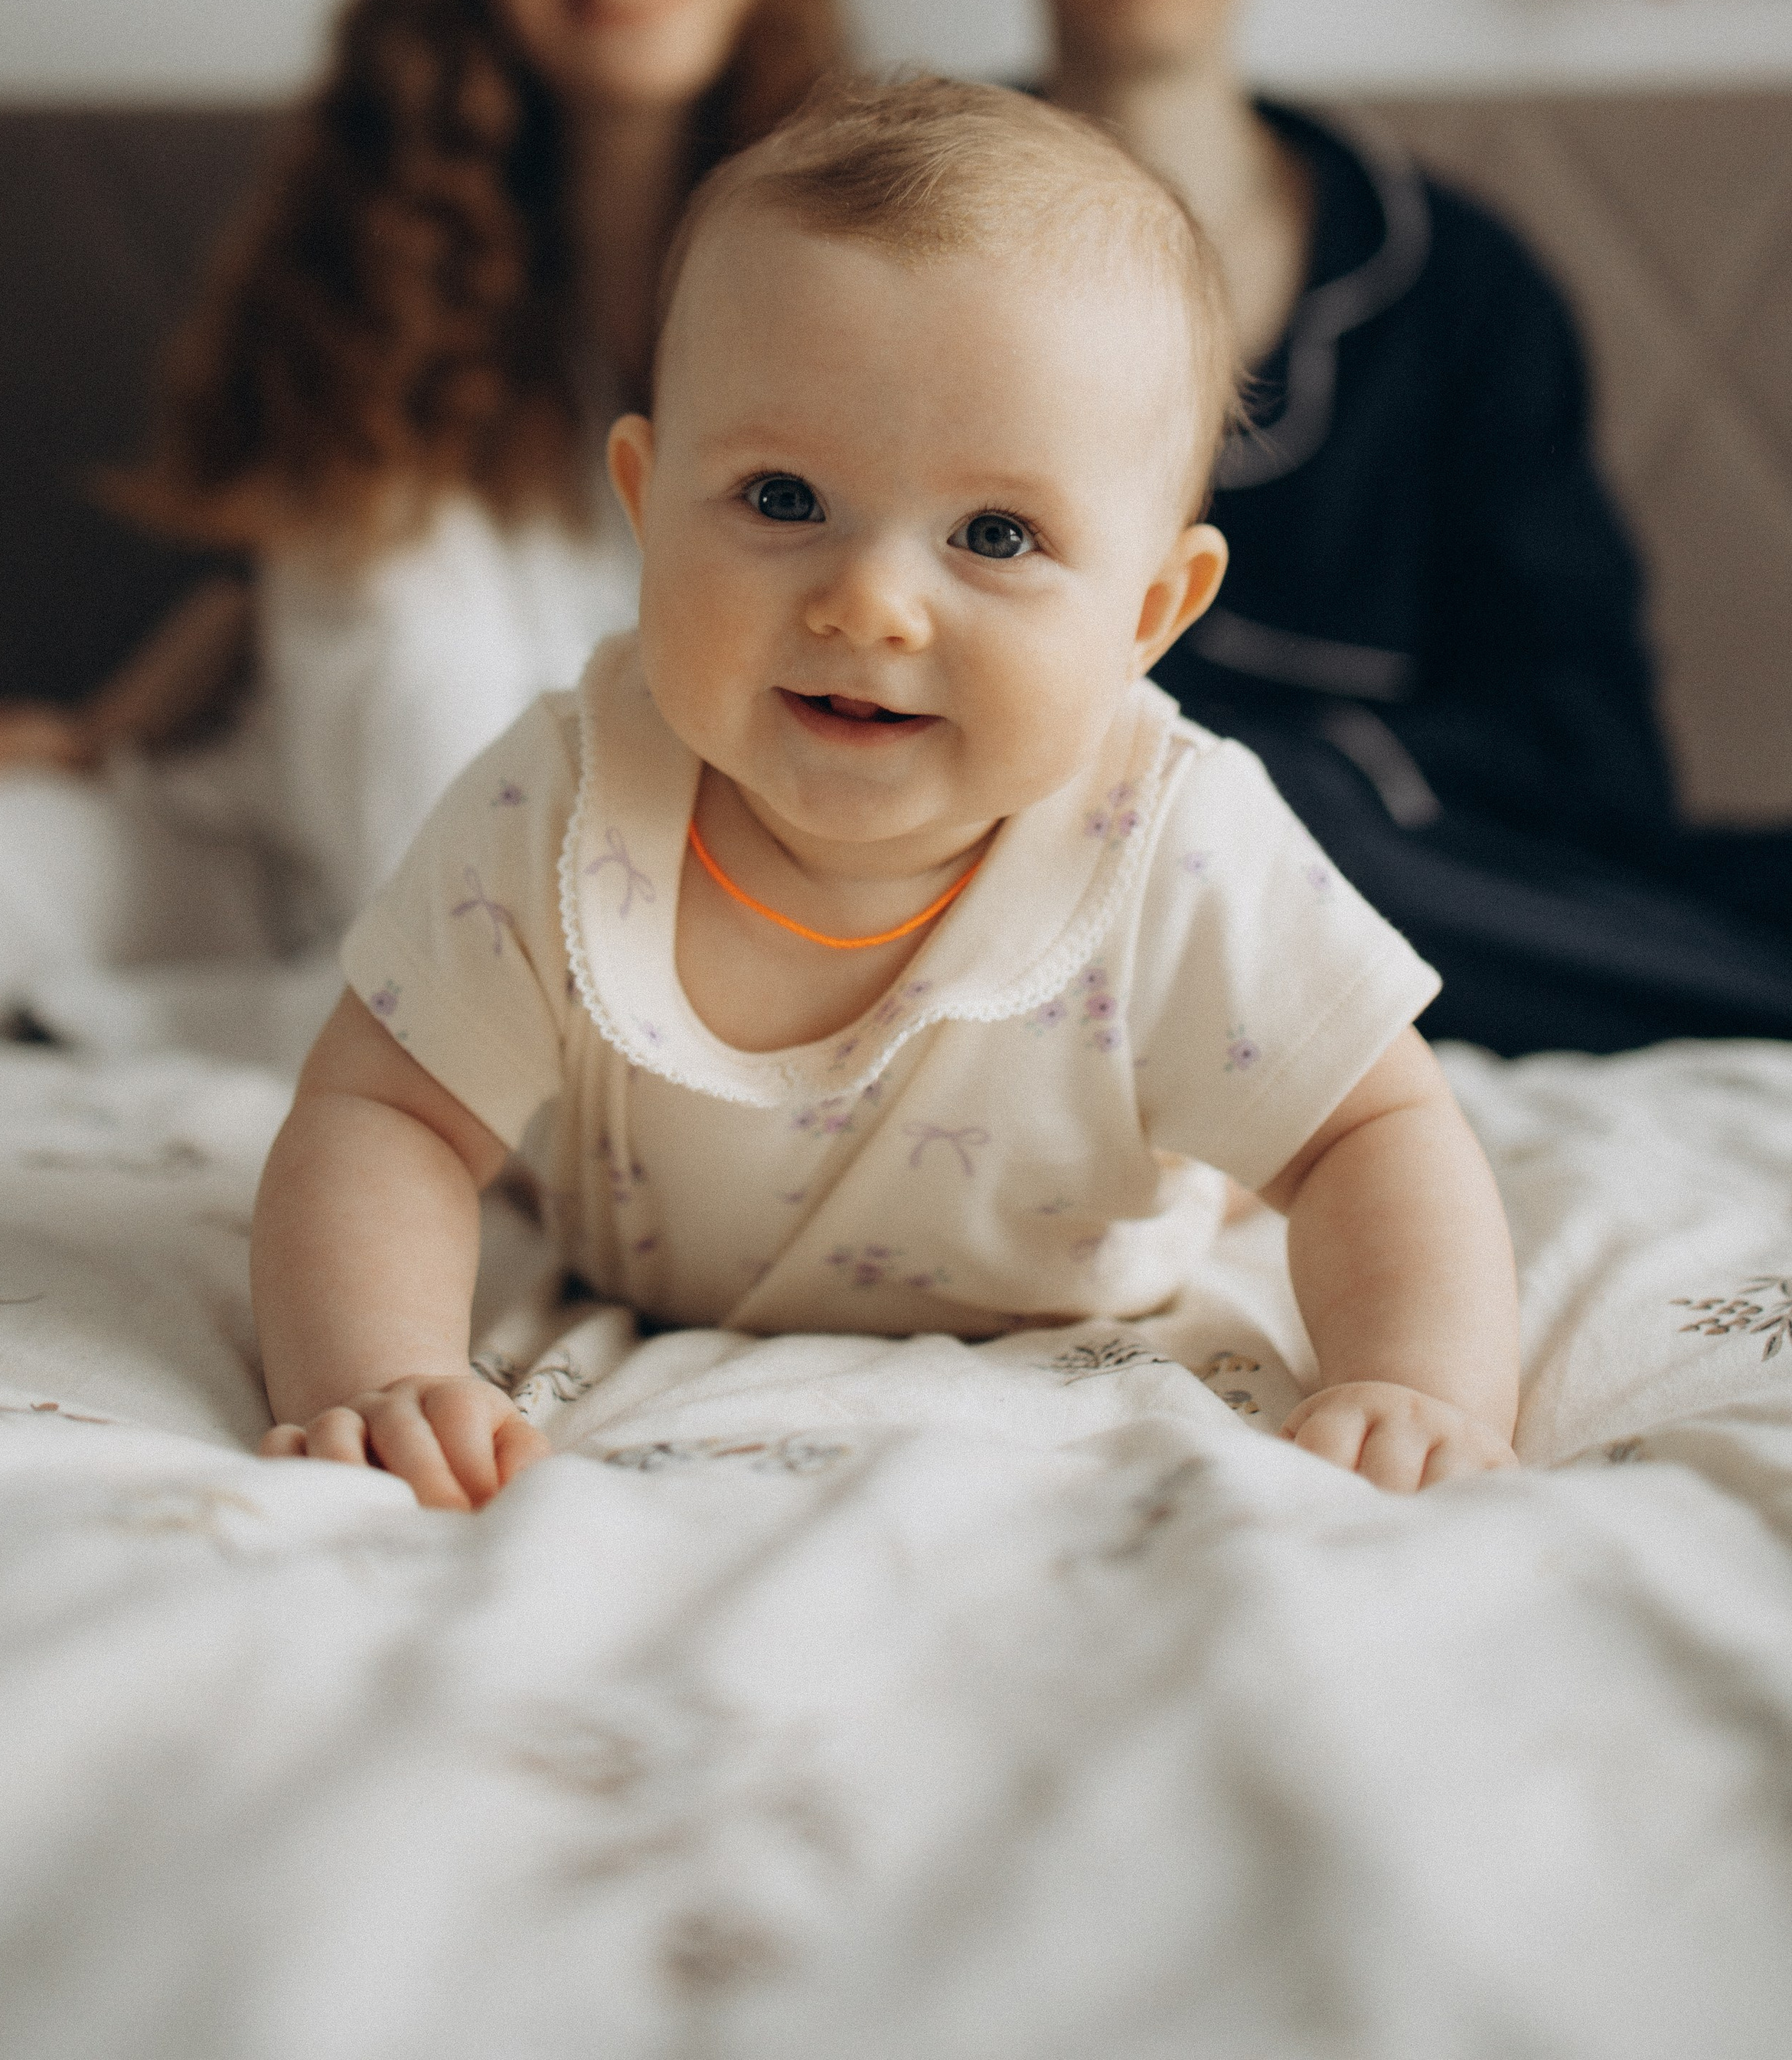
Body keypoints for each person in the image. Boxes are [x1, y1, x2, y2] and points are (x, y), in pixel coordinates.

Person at [250, 80, 1519, 1510]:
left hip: (1087, 1252)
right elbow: (386, 1115)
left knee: (1280, 1098)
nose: (869, 604)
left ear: (1153, 611)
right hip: (645, 1265)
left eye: (996, 534)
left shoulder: (1170, 841)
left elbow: (1379, 1136)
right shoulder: (566, 797)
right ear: (645, 500)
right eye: (783, 498)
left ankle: (1206, 1144)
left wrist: (1416, 1383)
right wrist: (375, 1371)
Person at [0, 0, 845, 1062]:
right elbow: (311, 572)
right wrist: (104, 727)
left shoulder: (876, 261)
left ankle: (391, 1030)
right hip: (278, 841)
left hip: (659, 903)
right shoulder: (378, 244)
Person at [974, 0, 1792, 1057]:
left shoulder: (1463, 284)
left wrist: (1291, 787)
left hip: (1428, 892)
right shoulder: (893, 261)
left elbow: (1596, 757)